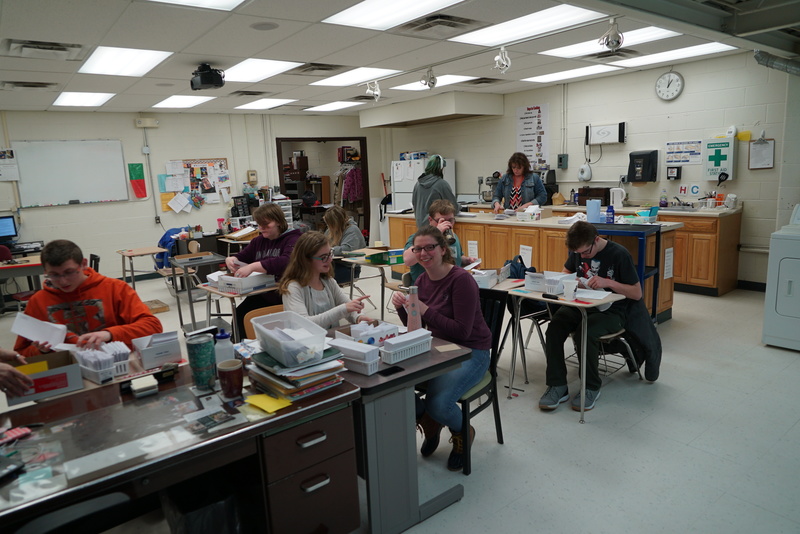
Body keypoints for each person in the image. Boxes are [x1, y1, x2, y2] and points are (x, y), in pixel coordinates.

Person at [391, 226, 491, 471]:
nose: (423, 253)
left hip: (471, 351)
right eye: (418, 249)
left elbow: (462, 333)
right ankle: (429, 421)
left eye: (429, 247)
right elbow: (417, 330)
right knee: (393, 388)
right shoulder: (422, 280)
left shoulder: (461, 280)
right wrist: (403, 309)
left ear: (443, 249)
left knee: (439, 403)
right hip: (438, 349)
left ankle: (461, 431)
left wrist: (425, 310)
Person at [538, 221, 642, 412]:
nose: (582, 256)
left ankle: (591, 386)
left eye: (586, 253)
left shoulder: (619, 254)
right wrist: (572, 281)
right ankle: (558, 386)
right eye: (578, 254)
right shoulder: (579, 251)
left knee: (585, 332)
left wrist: (608, 282)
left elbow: (636, 293)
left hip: (612, 310)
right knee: (554, 328)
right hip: (582, 304)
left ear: (596, 240)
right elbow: (566, 273)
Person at [13, 240, 162, 357]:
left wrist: (109, 334)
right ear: (45, 271)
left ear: (83, 264)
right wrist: (41, 351)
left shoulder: (115, 288)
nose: (63, 281)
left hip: (116, 365)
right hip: (67, 370)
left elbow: (153, 327)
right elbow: (21, 354)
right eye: (54, 275)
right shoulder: (38, 302)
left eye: (69, 272)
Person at [225, 203, 302, 335]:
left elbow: (286, 262)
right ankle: (241, 349)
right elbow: (243, 257)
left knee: (254, 319)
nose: (261, 228)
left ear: (278, 221)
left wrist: (254, 266)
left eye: (266, 224)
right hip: (264, 293)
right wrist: (231, 259)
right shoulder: (258, 241)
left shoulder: (294, 239)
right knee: (240, 316)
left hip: (285, 295)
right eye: (259, 224)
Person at [280, 231, 372, 329]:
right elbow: (304, 324)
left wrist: (358, 317)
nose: (330, 260)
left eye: (330, 254)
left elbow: (347, 307)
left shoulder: (329, 282)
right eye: (323, 257)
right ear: (305, 260)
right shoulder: (293, 288)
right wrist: (343, 309)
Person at [402, 199, 478, 284]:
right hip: (427, 289)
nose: (446, 224)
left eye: (450, 221)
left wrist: (468, 260)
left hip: (452, 284)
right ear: (430, 220)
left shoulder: (453, 237)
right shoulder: (419, 238)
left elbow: (457, 258)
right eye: (440, 221)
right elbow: (407, 260)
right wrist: (436, 233)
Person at [411, 154, 457, 228]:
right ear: (441, 169)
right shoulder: (441, 184)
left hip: (421, 227)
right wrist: (461, 206)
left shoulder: (417, 184)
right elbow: (453, 207)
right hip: (437, 227)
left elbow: (414, 203)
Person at [323, 205, 365, 284]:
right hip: (334, 264)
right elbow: (322, 243)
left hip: (349, 268)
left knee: (321, 278)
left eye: (329, 224)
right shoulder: (330, 230)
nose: (328, 226)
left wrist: (328, 250)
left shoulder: (352, 230)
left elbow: (347, 249)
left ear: (335, 223)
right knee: (311, 273)